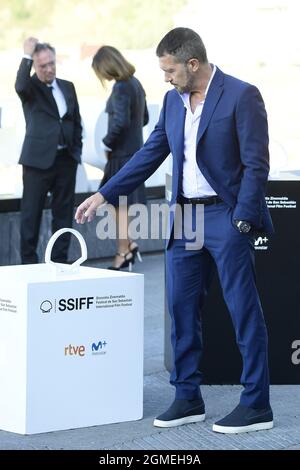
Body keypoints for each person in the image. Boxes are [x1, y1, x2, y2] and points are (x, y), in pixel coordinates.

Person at [75, 27, 274, 434]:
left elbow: (257, 164)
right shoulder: (171, 100)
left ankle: (256, 405)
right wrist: (105, 194)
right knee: (181, 310)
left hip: (226, 217)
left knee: (243, 311)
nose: (165, 77)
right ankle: (187, 397)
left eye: (170, 70)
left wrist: (242, 219)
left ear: (192, 64)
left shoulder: (241, 94)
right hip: (184, 219)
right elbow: (150, 153)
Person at [16, 37, 82, 264]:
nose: (49, 68)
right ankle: (28, 265)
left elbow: (76, 121)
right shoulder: (31, 88)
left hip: (66, 160)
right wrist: (26, 55)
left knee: (63, 215)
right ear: (35, 66)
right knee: (31, 215)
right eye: (43, 65)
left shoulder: (67, 86)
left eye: (52, 63)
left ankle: (60, 263)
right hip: (37, 163)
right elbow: (20, 85)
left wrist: (76, 152)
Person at [92, 46, 149, 270]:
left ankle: (123, 251)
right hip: (132, 153)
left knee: (117, 205)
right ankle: (128, 245)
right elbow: (143, 118)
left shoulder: (121, 87)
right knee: (118, 205)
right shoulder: (135, 83)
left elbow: (120, 123)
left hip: (121, 156)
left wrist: (105, 143)